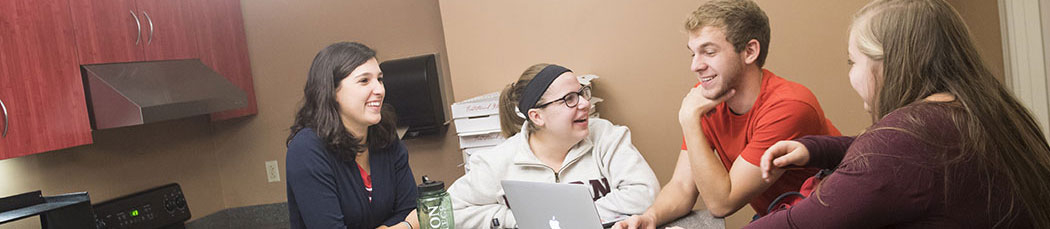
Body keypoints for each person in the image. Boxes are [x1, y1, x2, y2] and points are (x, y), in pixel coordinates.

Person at [750, 0, 1050, 227]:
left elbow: (798, 224)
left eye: (853, 62)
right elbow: (905, 161)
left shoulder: (905, 140)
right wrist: (813, 149)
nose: (851, 73)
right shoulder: (985, 109)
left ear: (888, 64)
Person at [615, 0, 841, 228]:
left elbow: (723, 203)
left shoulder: (789, 106)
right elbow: (683, 185)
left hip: (827, 218)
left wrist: (690, 121)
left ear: (750, 51)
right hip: (777, 215)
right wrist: (650, 217)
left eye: (709, 52)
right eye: (693, 54)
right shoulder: (703, 100)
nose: (695, 66)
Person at [448, 63, 661, 228]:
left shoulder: (606, 136)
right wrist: (515, 218)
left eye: (582, 92)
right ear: (537, 116)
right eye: (569, 99)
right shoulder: (498, 162)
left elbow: (645, 192)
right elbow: (449, 211)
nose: (585, 103)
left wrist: (570, 219)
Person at [285, 42, 419, 229]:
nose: (379, 90)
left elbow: (413, 210)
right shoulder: (307, 148)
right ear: (331, 91)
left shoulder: (386, 136)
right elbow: (411, 221)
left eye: (379, 79)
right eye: (364, 80)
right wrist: (406, 226)